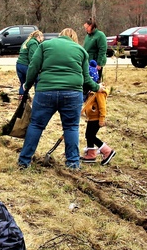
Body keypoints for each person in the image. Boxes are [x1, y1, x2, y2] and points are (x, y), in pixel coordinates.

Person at [18, 28, 99, 170]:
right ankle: (73, 163)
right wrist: (98, 87)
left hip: (46, 92)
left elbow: (33, 67)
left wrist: (27, 85)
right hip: (72, 94)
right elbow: (87, 79)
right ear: (74, 38)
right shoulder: (81, 51)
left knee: (36, 125)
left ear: (60, 36)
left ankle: (24, 161)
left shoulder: (45, 45)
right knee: (71, 127)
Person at [81, 63, 114, 164]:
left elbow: (102, 106)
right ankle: (91, 154)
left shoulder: (99, 92)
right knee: (88, 135)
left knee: (91, 136)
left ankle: (107, 151)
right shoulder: (91, 91)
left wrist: (102, 118)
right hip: (91, 118)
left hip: (96, 118)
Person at [16, 29, 43, 96]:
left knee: (23, 83)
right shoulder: (33, 43)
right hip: (26, 65)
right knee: (37, 80)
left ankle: (22, 100)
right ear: (39, 37)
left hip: (19, 65)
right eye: (42, 37)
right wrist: (37, 68)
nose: (43, 39)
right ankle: (38, 96)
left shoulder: (26, 41)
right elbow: (33, 57)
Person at [82, 18, 108, 82]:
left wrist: (99, 63)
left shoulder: (100, 35)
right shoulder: (87, 36)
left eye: (86, 27)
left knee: (96, 80)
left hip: (96, 62)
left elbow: (102, 50)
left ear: (91, 26)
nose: (86, 29)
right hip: (88, 61)